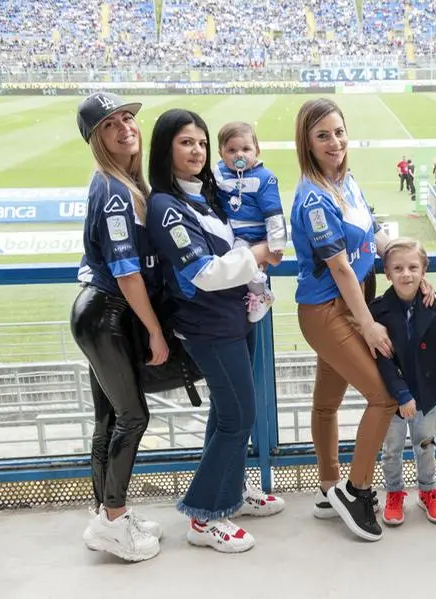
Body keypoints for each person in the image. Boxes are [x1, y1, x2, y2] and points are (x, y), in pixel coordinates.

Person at [291, 98, 435, 542]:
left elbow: (374, 234)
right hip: (330, 310)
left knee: (326, 404)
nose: (334, 142)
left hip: (352, 303)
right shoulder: (314, 197)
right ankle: (355, 490)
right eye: (322, 136)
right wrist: (368, 324)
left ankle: (329, 487)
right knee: (383, 397)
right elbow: (338, 268)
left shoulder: (345, 181)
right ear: (307, 143)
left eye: (338, 131)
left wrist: (412, 268)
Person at [145, 108, 285, 554]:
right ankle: (203, 517)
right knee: (238, 417)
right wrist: (261, 253)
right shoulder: (166, 207)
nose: (197, 151)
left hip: (230, 319)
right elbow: (204, 272)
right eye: (186, 142)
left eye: (202, 143)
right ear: (166, 148)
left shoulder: (202, 195)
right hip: (209, 326)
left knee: (226, 415)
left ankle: (228, 495)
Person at [70, 92, 163, 563]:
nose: (125, 127)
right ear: (96, 139)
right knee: (133, 416)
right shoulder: (113, 189)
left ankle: (110, 515)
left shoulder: (122, 181)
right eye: (110, 124)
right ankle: (112, 519)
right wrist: (155, 330)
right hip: (107, 312)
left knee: (109, 418)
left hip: (100, 312)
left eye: (127, 117)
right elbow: (126, 273)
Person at [371, 238, 436, 526]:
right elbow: (381, 360)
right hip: (393, 399)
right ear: (387, 272)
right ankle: (394, 493)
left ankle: (428, 491)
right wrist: (400, 394)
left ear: (424, 271)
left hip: (429, 395)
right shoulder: (378, 310)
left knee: (426, 446)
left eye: (412, 267)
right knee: (392, 450)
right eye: (398, 268)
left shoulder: (435, 305)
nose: (406, 274)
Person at [213, 121, 286, 323]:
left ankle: (261, 294)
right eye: (231, 150)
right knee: (236, 264)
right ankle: (258, 292)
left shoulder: (264, 178)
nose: (239, 155)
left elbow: (274, 213)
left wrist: (277, 243)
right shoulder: (218, 174)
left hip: (254, 235)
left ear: (257, 150)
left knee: (241, 263)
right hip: (232, 231)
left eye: (246, 149)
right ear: (221, 153)